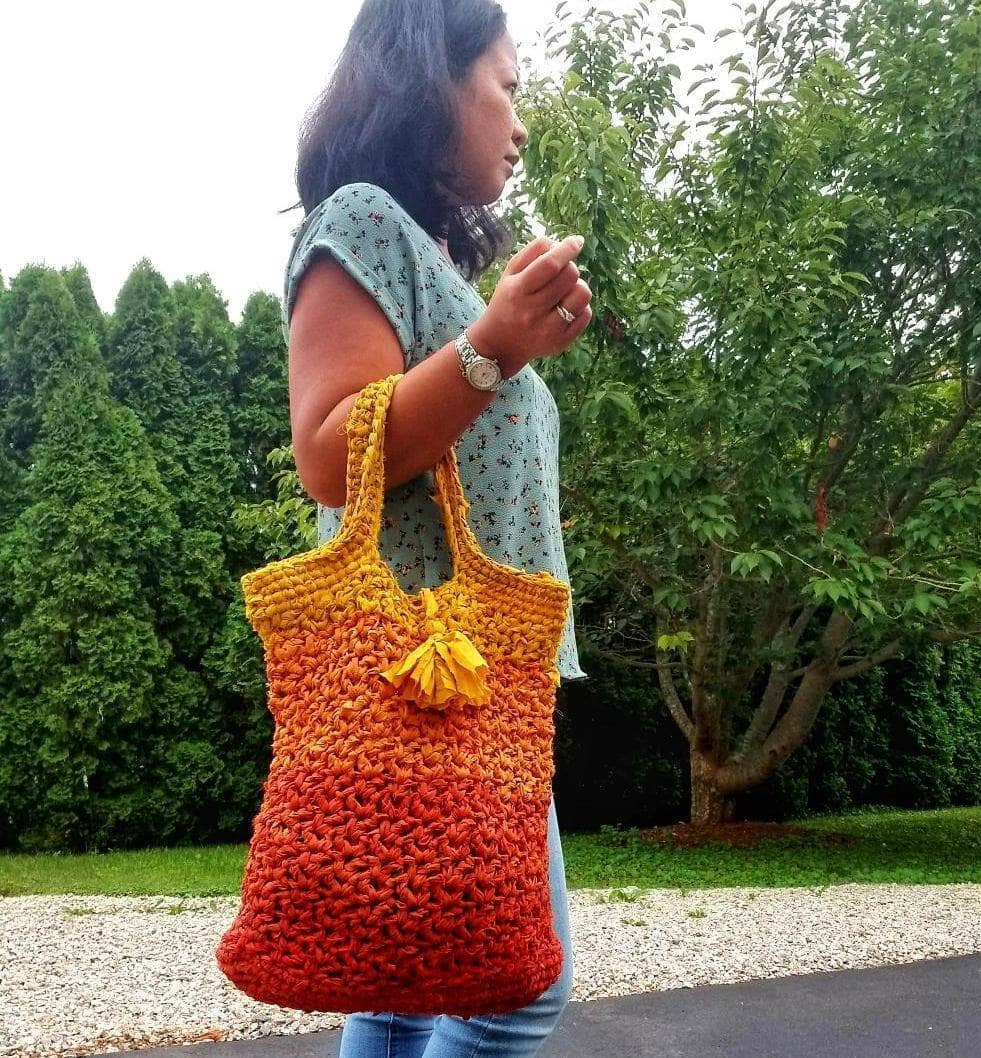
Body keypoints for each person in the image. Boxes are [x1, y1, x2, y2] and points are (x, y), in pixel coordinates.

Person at [281, 0, 593, 1054]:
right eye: (506, 86)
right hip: (427, 670)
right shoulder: (361, 220)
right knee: (514, 989)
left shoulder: (434, 262)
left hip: (476, 666)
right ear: (432, 79)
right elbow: (331, 452)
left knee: (403, 985)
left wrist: (504, 340)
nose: (520, 122)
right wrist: (495, 346)